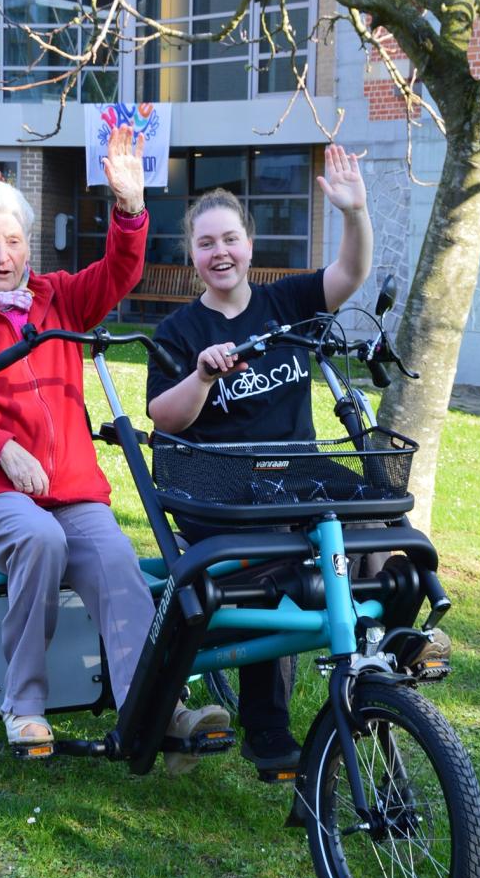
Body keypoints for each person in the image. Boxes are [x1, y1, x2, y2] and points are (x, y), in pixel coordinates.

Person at [0, 124, 227, 771]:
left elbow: (119, 271)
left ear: (29, 247)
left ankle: (153, 712)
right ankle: (23, 706)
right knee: (38, 541)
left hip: (67, 488)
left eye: (13, 241)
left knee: (115, 561)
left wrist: (130, 207)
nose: (1, 254)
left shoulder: (57, 299)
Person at [146, 145, 375, 773]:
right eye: (205, 243)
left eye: (230, 239)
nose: (219, 252)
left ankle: (377, 651)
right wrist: (199, 377)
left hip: (295, 472)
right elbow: (162, 418)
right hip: (218, 484)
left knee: (378, 514)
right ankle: (267, 729)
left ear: (249, 245)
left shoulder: (286, 302)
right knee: (277, 563)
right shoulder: (179, 333)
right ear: (191, 254)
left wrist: (355, 213)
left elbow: (350, 275)